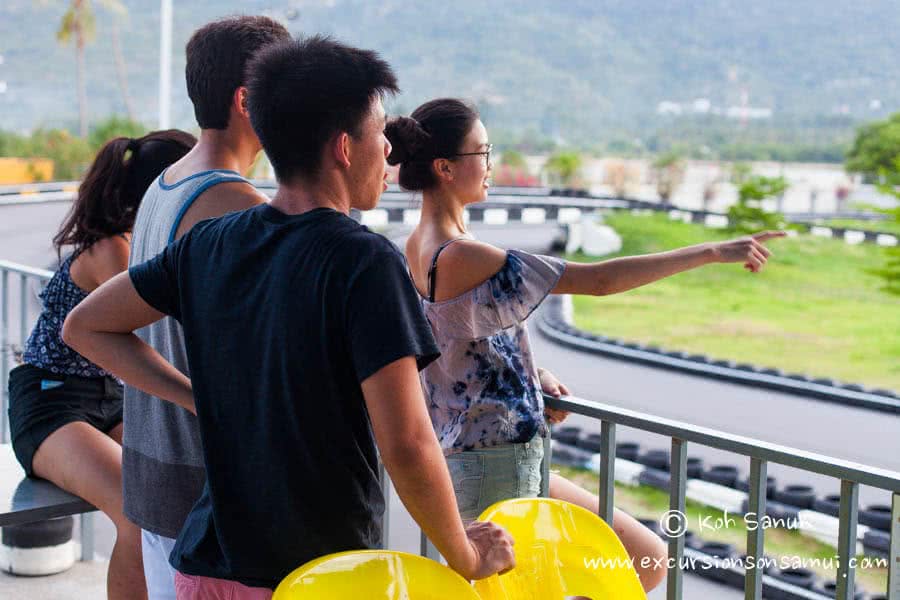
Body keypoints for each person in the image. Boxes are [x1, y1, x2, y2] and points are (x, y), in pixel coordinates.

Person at [63, 37, 515, 599]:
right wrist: (465, 553)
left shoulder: (211, 242)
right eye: (381, 137)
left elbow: (85, 325)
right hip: (314, 574)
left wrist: (195, 395)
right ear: (345, 148)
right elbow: (406, 441)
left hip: (204, 564)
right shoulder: (364, 260)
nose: (391, 155)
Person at [385, 98, 785, 590]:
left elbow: (460, 344)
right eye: (483, 152)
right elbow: (600, 280)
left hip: (487, 460)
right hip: (497, 470)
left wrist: (534, 378)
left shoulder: (417, 244)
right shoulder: (466, 254)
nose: (491, 165)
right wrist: (711, 250)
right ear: (445, 167)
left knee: (643, 557)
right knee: (640, 560)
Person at [120, 16, 290, 600]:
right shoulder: (233, 205)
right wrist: (203, 401)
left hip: (155, 474)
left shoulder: (165, 183)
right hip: (205, 491)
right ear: (248, 100)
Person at [7, 129, 196, 600]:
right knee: (137, 512)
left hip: (109, 401)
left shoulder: (139, 242)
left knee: (172, 497)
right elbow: (164, 327)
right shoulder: (115, 250)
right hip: (52, 405)